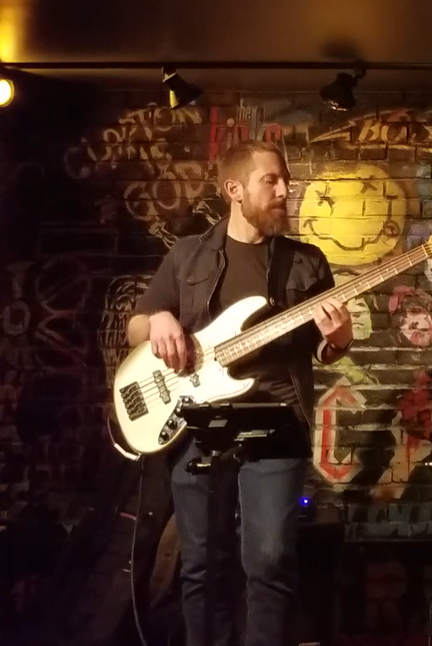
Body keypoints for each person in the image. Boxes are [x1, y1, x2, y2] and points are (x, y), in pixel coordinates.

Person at [128, 140, 354, 646]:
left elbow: (325, 348)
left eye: (286, 180)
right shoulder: (188, 255)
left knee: (270, 560)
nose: (285, 190)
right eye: (271, 181)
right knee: (202, 564)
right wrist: (158, 318)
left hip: (276, 424)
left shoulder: (307, 262)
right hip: (195, 423)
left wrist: (339, 339)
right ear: (234, 189)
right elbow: (137, 327)